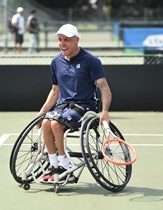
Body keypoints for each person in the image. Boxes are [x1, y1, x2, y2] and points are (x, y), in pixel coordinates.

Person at [37, 24, 112, 181]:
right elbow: (55, 90)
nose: (62, 44)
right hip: (62, 107)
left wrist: (104, 112)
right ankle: (53, 165)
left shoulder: (91, 61)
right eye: (60, 40)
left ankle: (65, 165)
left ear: (77, 40)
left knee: (56, 124)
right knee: (45, 122)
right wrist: (42, 111)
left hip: (84, 108)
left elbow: (104, 88)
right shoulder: (56, 61)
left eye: (66, 40)